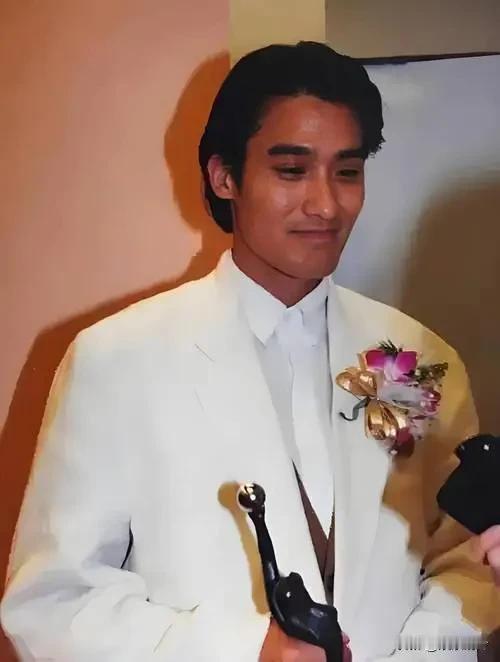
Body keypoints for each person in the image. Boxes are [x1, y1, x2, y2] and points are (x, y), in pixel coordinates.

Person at [1, 41, 499, 662]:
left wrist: (422, 655)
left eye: (347, 172)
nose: (326, 204)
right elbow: (53, 602)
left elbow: (466, 558)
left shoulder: (420, 357)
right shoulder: (117, 360)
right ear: (224, 177)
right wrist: (241, 650)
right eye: (291, 171)